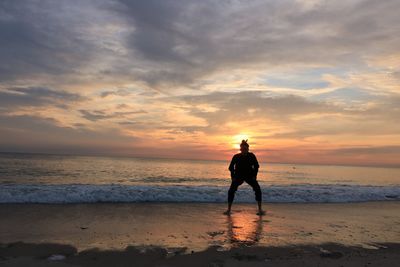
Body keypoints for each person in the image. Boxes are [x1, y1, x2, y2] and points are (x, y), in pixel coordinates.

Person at [224, 139, 265, 215]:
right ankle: (228, 210)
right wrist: (233, 177)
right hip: (238, 176)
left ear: (248, 149)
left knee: (258, 190)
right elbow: (230, 167)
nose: (244, 150)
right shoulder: (236, 156)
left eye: (245, 149)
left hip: (249, 176)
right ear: (240, 149)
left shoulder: (251, 156)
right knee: (231, 191)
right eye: (242, 149)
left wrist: (254, 176)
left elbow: (256, 166)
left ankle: (260, 210)